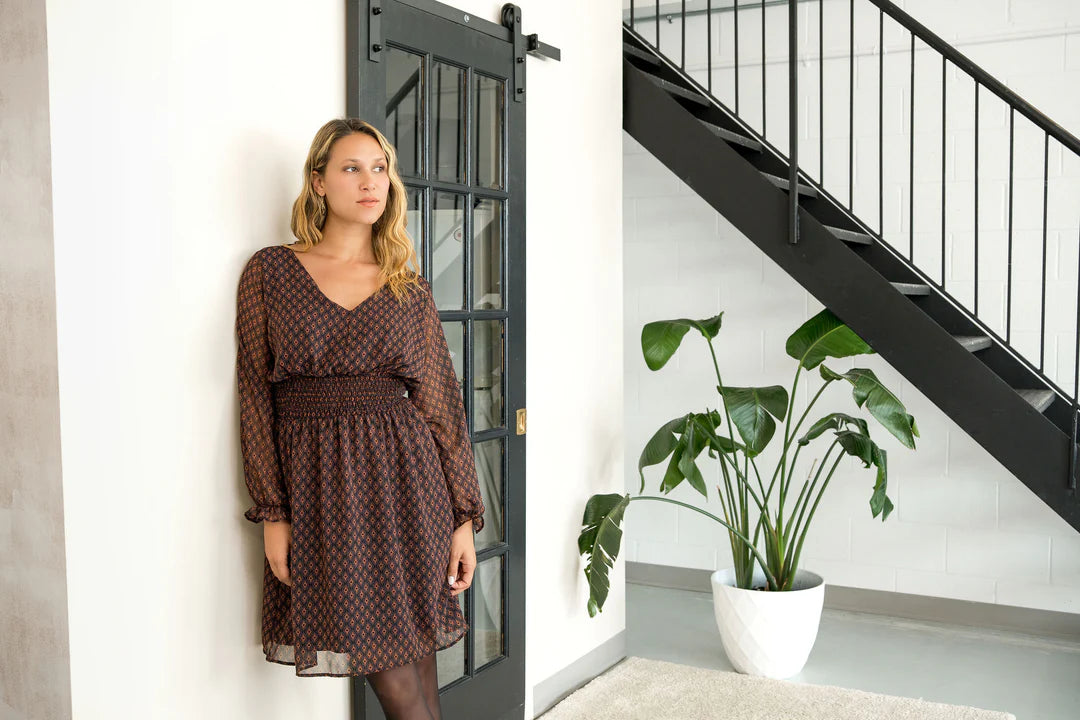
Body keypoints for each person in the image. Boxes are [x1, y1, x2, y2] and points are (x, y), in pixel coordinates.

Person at [235, 117, 486, 719]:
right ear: (318, 182)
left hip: (408, 486)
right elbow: (253, 398)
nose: (371, 181)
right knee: (402, 685)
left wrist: (462, 518)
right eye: (352, 168)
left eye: (380, 169)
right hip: (323, 493)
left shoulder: (406, 286)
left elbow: (442, 406)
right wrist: (273, 512)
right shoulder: (269, 272)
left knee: (417, 680)